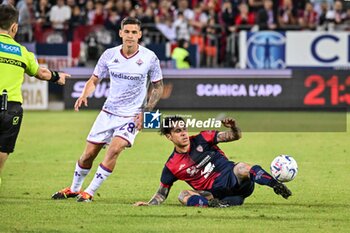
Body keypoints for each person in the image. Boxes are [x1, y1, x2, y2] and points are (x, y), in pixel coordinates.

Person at [51, 17, 164, 202]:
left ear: (140, 35)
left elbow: (158, 86)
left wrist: (146, 111)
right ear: (120, 33)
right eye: (126, 31)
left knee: (114, 150)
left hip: (131, 115)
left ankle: (90, 192)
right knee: (88, 155)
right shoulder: (109, 55)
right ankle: (74, 188)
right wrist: (84, 94)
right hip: (108, 113)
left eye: (134, 32)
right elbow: (94, 79)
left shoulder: (150, 57)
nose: (130, 36)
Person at [134, 116, 292, 207]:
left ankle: (275, 185)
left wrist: (234, 127)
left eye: (184, 129)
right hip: (214, 194)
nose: (183, 133)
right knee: (183, 195)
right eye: (177, 131)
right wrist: (150, 204)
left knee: (242, 167)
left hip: (234, 179)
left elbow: (234, 136)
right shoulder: (171, 166)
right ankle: (215, 205)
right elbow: (162, 194)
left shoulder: (203, 138)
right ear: (169, 137)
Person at [0, 4, 70, 186]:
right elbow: (42, 73)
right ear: (14, 27)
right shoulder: (22, 52)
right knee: (1, 152)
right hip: (11, 108)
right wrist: (58, 77)